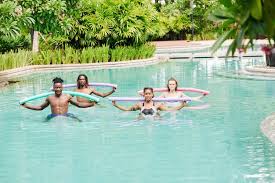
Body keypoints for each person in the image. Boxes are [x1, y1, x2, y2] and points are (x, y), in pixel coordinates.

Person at [20, 77, 95, 120]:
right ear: (53, 88)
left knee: (79, 121)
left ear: (62, 87)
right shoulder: (50, 98)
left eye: (59, 87)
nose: (58, 89)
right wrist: (26, 105)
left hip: (66, 115)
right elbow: (40, 107)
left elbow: (78, 104)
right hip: (53, 116)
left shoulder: (67, 96)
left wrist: (91, 104)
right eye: (56, 87)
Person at [112, 87, 186, 119]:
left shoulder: (157, 105)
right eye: (146, 93)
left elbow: (171, 110)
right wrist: (116, 105)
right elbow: (127, 109)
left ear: (152, 94)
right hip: (142, 122)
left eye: (149, 93)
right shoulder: (140, 105)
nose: (147, 95)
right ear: (143, 94)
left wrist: (182, 105)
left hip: (156, 122)